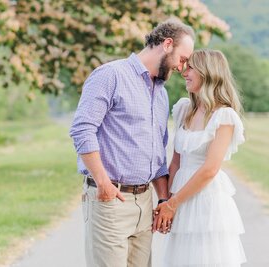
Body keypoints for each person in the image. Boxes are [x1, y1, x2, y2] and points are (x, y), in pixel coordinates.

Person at [69, 18, 195, 267]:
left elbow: (158, 153)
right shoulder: (111, 75)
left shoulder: (160, 92)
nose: (182, 68)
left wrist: (162, 199)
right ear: (167, 44)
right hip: (110, 200)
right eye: (182, 59)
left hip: (144, 201)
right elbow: (82, 129)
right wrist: (104, 183)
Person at [154, 49, 247, 266]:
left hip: (206, 201)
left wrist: (173, 204)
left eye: (191, 68)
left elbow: (209, 170)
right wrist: (166, 201)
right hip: (179, 197)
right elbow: (176, 162)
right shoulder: (184, 110)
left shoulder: (224, 116)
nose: (185, 72)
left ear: (208, 72)